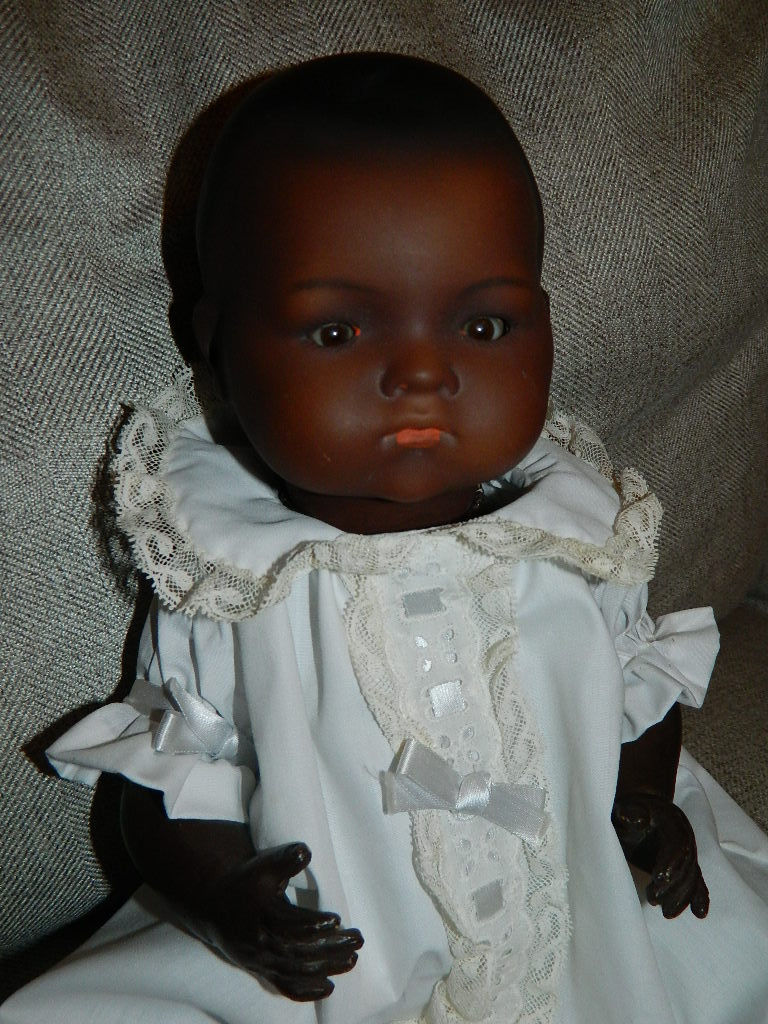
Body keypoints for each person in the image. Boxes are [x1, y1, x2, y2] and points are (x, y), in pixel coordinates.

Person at [3, 52, 768, 1024]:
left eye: (482, 327)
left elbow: (635, 691)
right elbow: (164, 784)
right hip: (328, 961)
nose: (421, 375)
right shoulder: (234, 585)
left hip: (588, 915)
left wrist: (646, 798)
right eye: (338, 333)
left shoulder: (578, 541)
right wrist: (225, 896)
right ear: (216, 348)